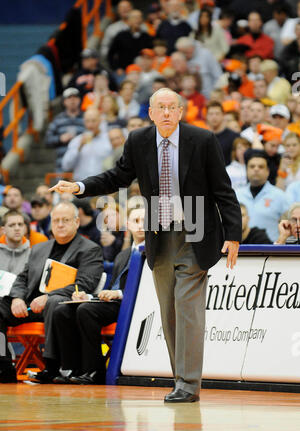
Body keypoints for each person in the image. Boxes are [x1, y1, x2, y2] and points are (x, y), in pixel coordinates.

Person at [49, 87, 241, 403]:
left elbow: (224, 190)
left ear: (181, 111)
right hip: (158, 237)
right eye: (159, 107)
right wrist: (81, 186)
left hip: (195, 235)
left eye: (171, 107)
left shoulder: (202, 140)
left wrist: (232, 235)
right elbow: (118, 177)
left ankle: (188, 385)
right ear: (150, 113)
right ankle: (180, 380)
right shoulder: (139, 141)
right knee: (168, 313)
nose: (166, 113)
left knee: (187, 309)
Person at [0, 202, 103, 383]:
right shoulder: (39, 248)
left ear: (77, 222)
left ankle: (52, 367)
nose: (60, 225)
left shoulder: (90, 249)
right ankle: (4, 366)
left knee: (54, 302)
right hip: (30, 307)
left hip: (62, 308)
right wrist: (17, 298)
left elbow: (85, 284)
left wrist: (47, 297)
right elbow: (22, 278)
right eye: (56, 221)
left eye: (65, 220)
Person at [51, 206, 145, 384]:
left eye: (145, 221)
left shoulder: (156, 255)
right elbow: (112, 285)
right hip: (113, 302)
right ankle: (71, 368)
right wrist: (90, 296)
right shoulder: (123, 254)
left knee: (87, 311)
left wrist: (117, 293)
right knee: (62, 311)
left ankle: (94, 370)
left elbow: (149, 289)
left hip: (133, 305)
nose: (141, 225)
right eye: (136, 221)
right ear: (127, 224)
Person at [235, 152, 290, 242]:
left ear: (268, 171)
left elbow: (290, 225)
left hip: (270, 251)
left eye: (261, 167)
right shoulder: (236, 195)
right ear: (246, 170)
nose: (256, 169)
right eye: (252, 166)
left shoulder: (280, 196)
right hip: (241, 251)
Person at [62, 108, 112, 181]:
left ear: (100, 120)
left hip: (104, 185)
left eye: (93, 121)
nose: (90, 124)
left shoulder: (109, 139)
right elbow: (66, 166)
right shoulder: (76, 141)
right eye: (87, 121)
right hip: (82, 186)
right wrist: (79, 147)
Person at [44, 87, 85, 174]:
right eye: (69, 98)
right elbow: (47, 140)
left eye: (75, 97)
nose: (72, 100)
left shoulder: (86, 118)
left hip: (83, 165)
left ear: (80, 100)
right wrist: (60, 138)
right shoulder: (58, 119)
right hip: (61, 167)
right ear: (64, 101)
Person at [107, 9, 153, 79]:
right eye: (135, 17)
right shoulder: (121, 36)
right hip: (124, 72)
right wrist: (116, 68)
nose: (137, 20)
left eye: (139, 17)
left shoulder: (146, 37)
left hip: (142, 71)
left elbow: (151, 55)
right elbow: (111, 54)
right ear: (128, 21)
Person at [206, 100, 240, 166]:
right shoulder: (203, 137)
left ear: (223, 115)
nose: (214, 117)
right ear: (206, 116)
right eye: (211, 114)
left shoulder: (234, 137)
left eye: (217, 114)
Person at [0, 210, 31, 275]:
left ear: (25, 228)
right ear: (3, 230)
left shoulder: (32, 255)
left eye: (20, 225)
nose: (17, 228)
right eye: (12, 225)